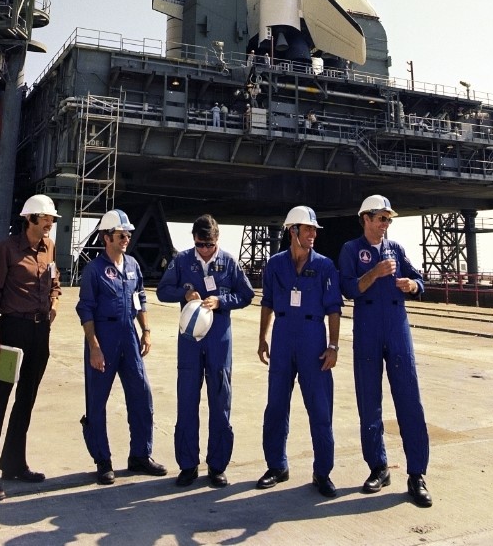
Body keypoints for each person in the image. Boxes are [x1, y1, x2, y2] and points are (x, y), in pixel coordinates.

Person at [338, 195, 432, 507]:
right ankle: (378, 467)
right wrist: (375, 273)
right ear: (365, 218)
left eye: (388, 220)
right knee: (369, 400)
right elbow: (348, 288)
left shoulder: (397, 250)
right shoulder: (351, 250)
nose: (384, 225)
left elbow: (421, 280)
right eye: (380, 219)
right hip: (367, 330)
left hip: (397, 328)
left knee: (409, 399)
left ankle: (417, 473)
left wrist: (412, 286)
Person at [0, 194, 62, 501]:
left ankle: (13, 463)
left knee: (26, 399)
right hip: (11, 331)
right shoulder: (6, 249)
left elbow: (54, 280)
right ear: (31, 219)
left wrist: (54, 303)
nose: (51, 223)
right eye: (47, 218)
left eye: (52, 219)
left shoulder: (49, 247)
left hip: (40, 332)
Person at [156, 214, 254, 488]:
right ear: (194, 240)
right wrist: (184, 295)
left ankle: (217, 465)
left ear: (217, 240)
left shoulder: (229, 262)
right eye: (200, 244)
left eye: (209, 245)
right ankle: (188, 465)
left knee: (220, 402)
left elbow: (246, 295)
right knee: (187, 402)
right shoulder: (182, 261)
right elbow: (163, 291)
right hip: (189, 342)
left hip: (219, 341)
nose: (205, 250)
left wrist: (221, 301)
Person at [76, 209, 167, 485]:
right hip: (103, 338)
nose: (126, 238)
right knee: (97, 401)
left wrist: (146, 331)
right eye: (121, 234)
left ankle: (140, 454)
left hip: (129, 334)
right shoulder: (94, 270)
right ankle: (102, 460)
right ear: (107, 237)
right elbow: (86, 310)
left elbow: (140, 298)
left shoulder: (132, 266)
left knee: (141, 393)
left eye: (127, 234)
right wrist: (94, 347)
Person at [257, 206, 342, 499]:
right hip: (282, 338)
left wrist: (333, 345)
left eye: (314, 230)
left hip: (313, 340)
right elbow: (267, 301)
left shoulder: (325, 266)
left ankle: (322, 472)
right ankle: (277, 466)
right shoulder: (275, 265)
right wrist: (262, 338)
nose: (313, 235)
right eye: (308, 230)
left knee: (320, 408)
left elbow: (334, 309)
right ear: (293, 231)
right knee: (276, 406)